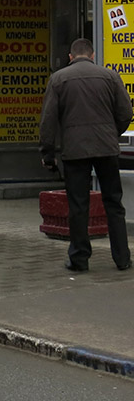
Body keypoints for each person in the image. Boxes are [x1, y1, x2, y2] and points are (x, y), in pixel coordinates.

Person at [38, 38, 133, 272]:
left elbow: (48, 122)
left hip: (75, 151)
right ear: (92, 56)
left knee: (78, 205)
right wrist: (111, 133)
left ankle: (79, 258)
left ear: (71, 57)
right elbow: (126, 112)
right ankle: (122, 258)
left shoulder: (58, 79)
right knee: (113, 202)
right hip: (106, 148)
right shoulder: (110, 76)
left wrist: (47, 154)